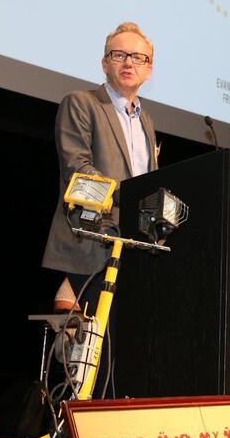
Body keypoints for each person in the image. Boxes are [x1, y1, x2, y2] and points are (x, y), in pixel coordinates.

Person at [41, 22, 157, 398]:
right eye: (119, 55)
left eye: (139, 57)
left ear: (149, 69)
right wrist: (134, 195)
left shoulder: (146, 120)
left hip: (134, 248)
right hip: (91, 241)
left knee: (126, 348)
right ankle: (79, 434)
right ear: (104, 63)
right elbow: (79, 170)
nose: (129, 63)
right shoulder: (82, 103)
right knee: (92, 354)